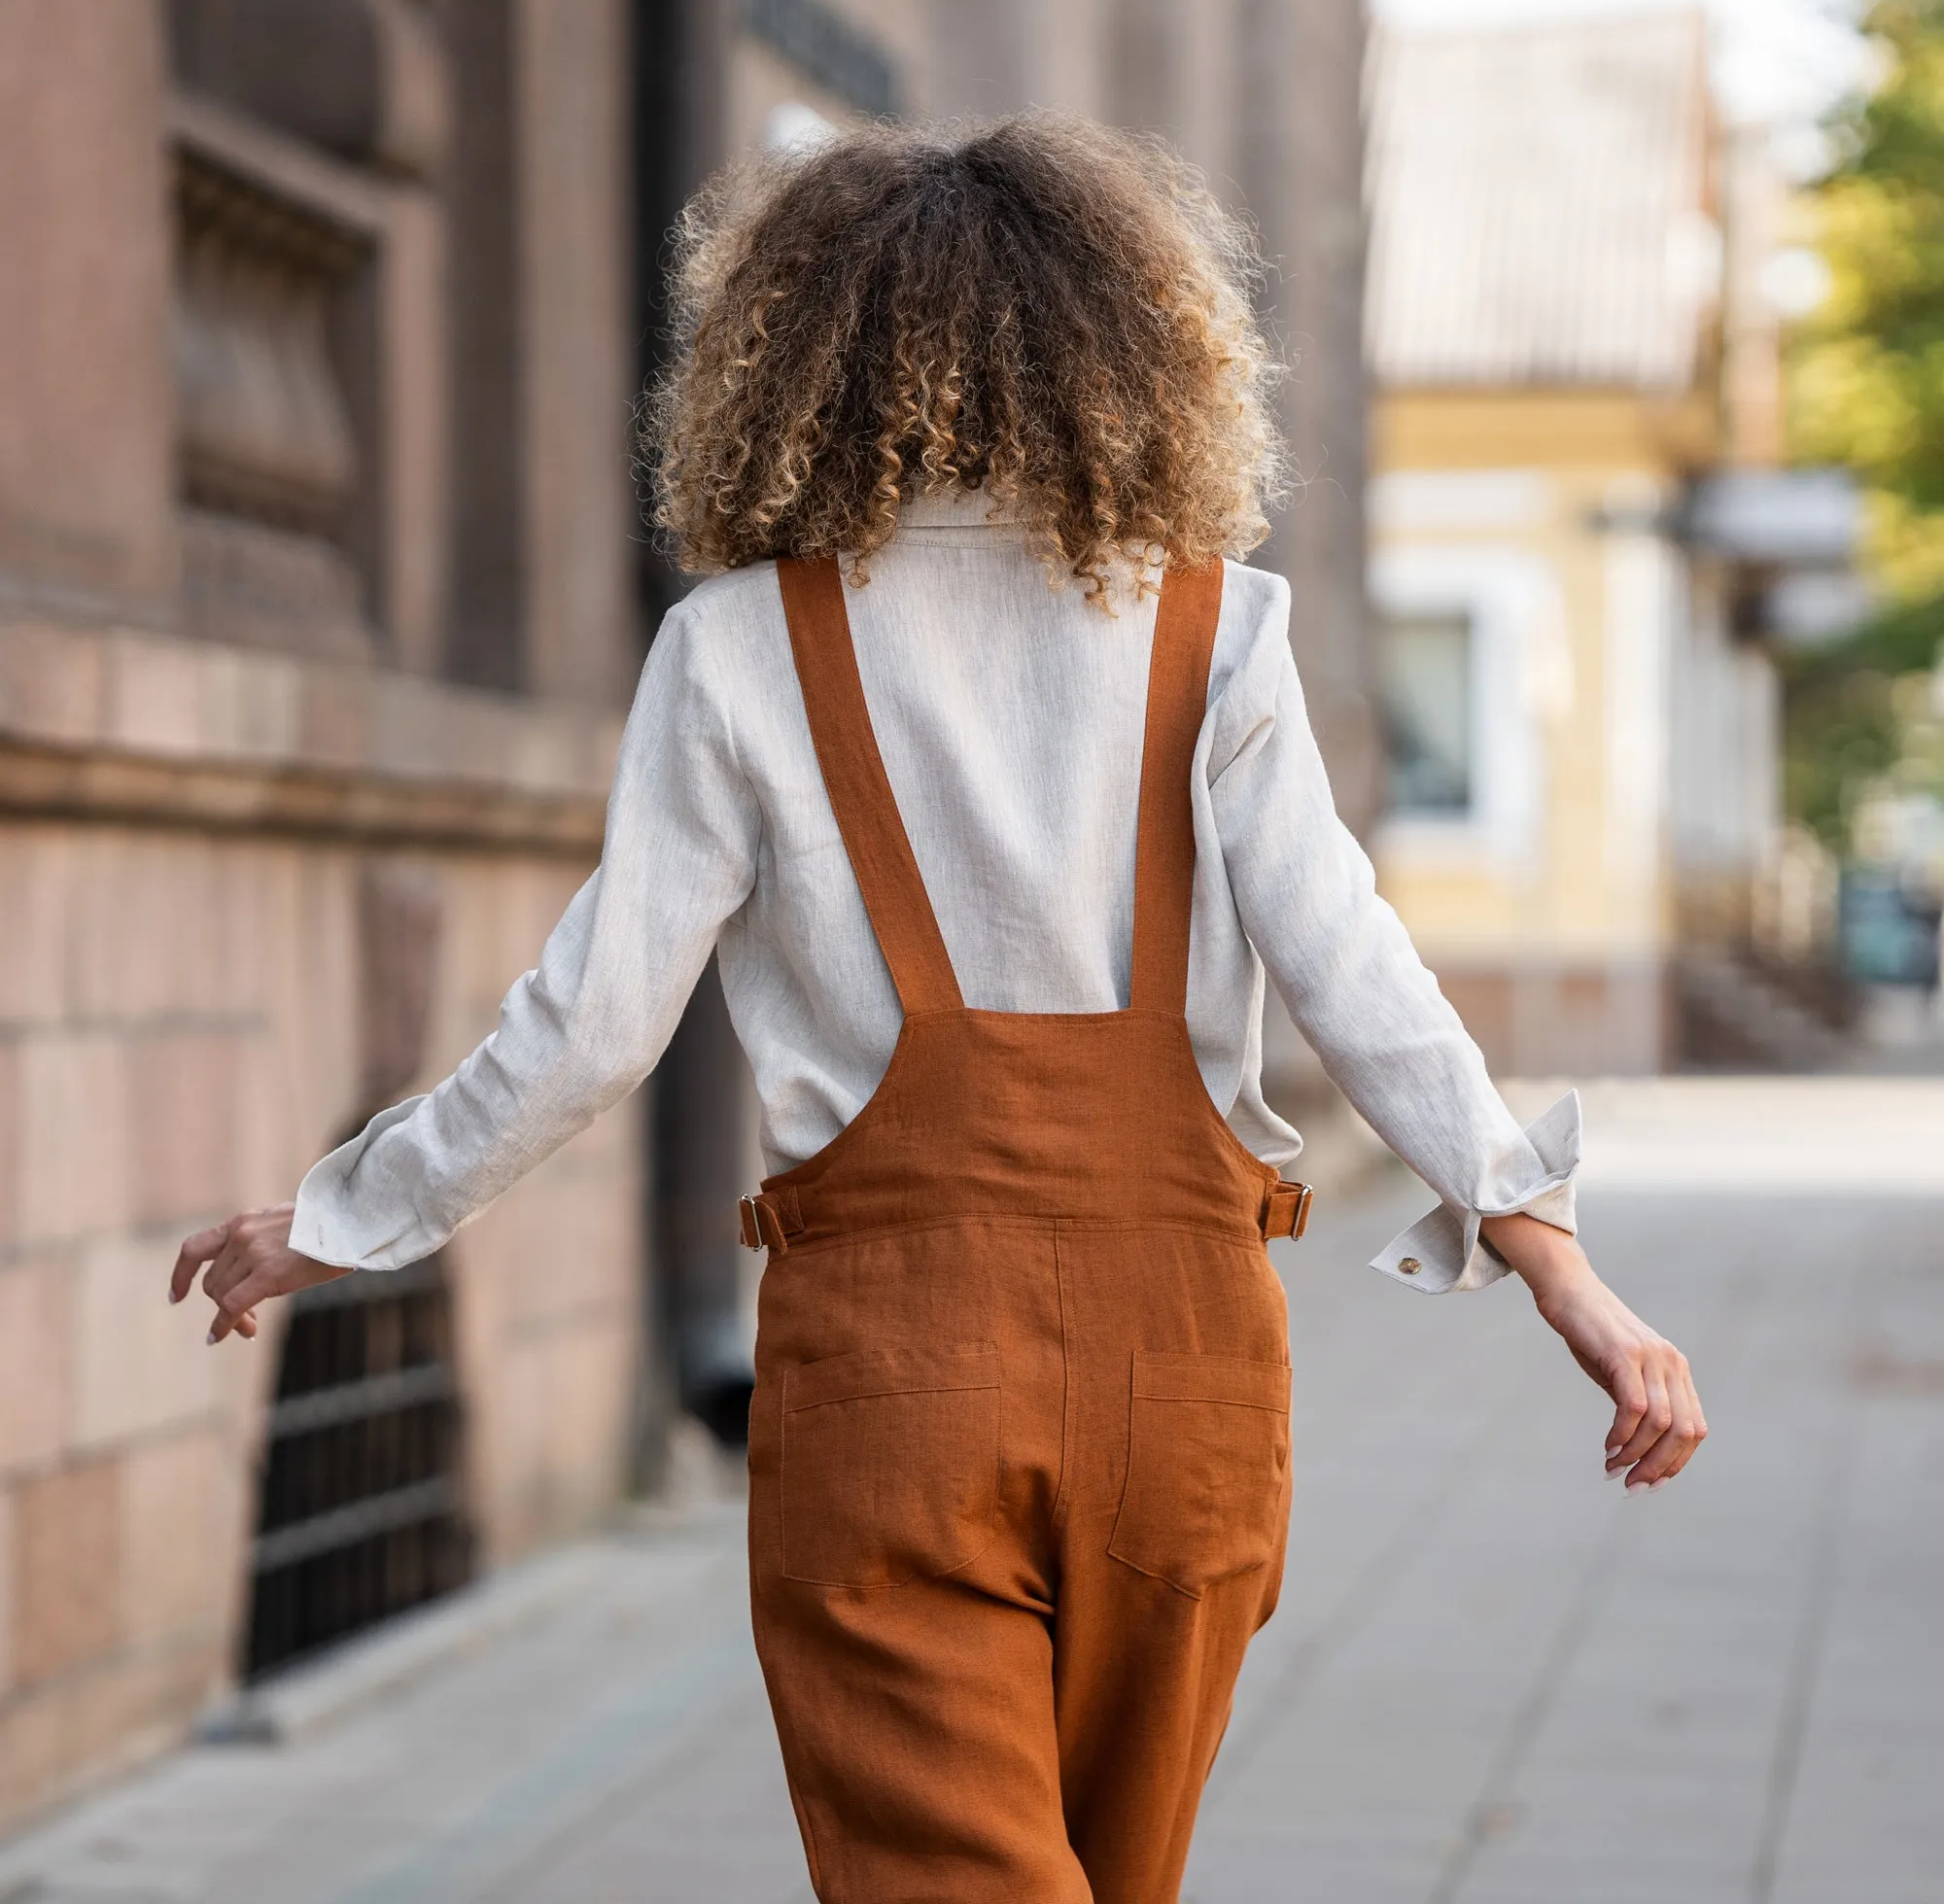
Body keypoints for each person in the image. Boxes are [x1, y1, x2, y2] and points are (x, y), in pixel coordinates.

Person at [170, 115, 1705, 1903]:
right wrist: (1552, 1257)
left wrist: (353, 1218)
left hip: (893, 1396)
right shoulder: (1221, 627)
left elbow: (594, 1021)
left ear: (796, 362)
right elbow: (1348, 959)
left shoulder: (740, 647)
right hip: (1187, 1386)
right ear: (1127, 353)